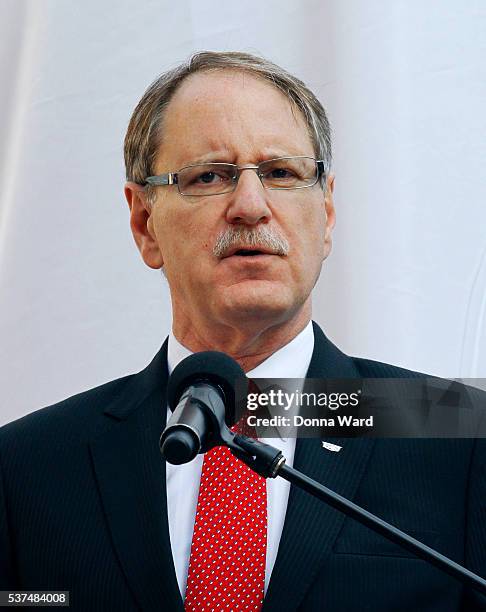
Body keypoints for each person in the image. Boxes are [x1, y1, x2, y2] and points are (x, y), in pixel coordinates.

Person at [0, 51, 485, 612]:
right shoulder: (27, 469)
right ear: (144, 224)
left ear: (325, 214)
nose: (250, 207)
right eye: (209, 176)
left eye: (280, 173)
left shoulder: (452, 431)